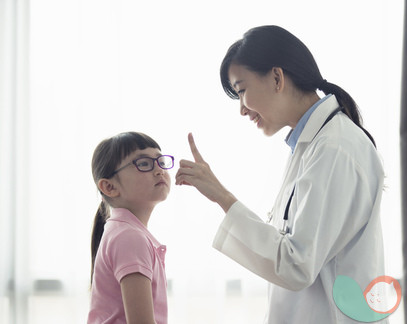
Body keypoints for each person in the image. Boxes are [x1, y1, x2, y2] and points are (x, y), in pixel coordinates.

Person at [175, 25, 387, 323]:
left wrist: (221, 196)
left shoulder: (335, 148)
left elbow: (296, 265)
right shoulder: (312, 145)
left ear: (277, 77)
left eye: (242, 90)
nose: (242, 110)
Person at [88, 131, 173, 324]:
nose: (159, 170)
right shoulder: (129, 237)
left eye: (161, 162)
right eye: (143, 164)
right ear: (109, 187)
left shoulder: (123, 232)